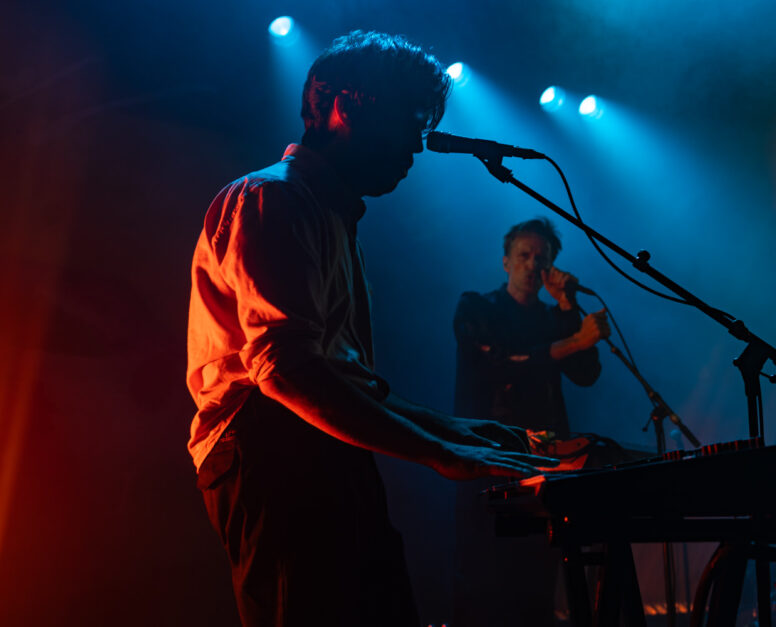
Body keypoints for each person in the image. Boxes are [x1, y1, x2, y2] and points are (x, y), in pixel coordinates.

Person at [186, 31, 551, 627]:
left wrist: (453, 429)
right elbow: (285, 371)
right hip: (271, 452)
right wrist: (438, 450)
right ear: (344, 105)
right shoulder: (273, 200)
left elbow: (340, 379)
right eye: (409, 122)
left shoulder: (326, 213)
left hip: (315, 448)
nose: (417, 146)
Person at [451, 217, 610, 627]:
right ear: (505, 261)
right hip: (489, 458)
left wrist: (567, 307)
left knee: (540, 573)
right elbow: (501, 364)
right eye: (524, 255)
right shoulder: (478, 308)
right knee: (489, 575)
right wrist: (576, 339)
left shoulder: (553, 316)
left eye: (542, 258)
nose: (532, 265)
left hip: (546, 462)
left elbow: (586, 374)